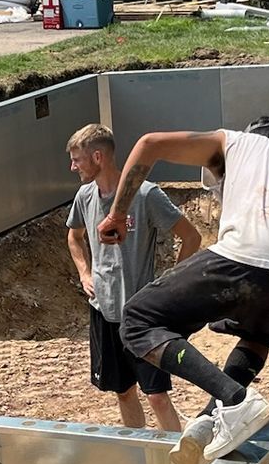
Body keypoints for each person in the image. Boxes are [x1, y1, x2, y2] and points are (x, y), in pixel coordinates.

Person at [101, 115, 269, 464]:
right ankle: (209, 422)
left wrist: (118, 213)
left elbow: (149, 144)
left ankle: (235, 399)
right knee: (255, 334)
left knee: (137, 320)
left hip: (250, 255)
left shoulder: (236, 143)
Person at [64, 123, 202, 431]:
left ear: (98, 157)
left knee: (158, 397)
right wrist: (85, 273)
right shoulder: (84, 196)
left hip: (141, 316)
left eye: (77, 160)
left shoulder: (146, 195)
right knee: (123, 392)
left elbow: (191, 237)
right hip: (103, 312)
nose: (73, 167)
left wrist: (170, 284)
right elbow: (74, 237)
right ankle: (140, 458)